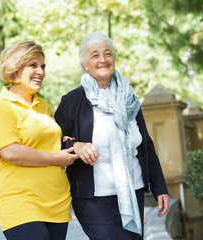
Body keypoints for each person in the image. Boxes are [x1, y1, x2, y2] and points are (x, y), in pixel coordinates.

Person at [54, 32, 170, 240]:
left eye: (108, 54)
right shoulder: (72, 101)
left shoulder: (130, 99)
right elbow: (54, 142)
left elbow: (145, 145)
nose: (103, 60)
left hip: (132, 191)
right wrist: (77, 145)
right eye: (95, 55)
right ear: (84, 64)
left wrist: (160, 187)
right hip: (93, 199)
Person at [0, 41, 78, 240]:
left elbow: (48, 142)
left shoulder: (44, 106)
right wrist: (56, 159)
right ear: (15, 68)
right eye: (33, 65)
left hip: (56, 200)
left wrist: (71, 143)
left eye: (43, 66)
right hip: (20, 200)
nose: (41, 71)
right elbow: (10, 152)